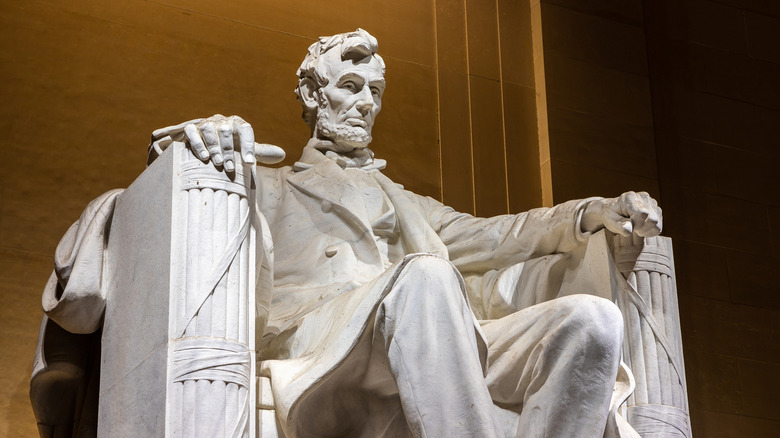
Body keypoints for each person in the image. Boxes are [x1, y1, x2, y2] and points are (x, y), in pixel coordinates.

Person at [34, 29, 660, 437]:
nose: (365, 103)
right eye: (350, 86)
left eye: (376, 93)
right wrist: (194, 140)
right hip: (322, 344)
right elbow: (158, 203)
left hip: (432, 342)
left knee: (590, 322)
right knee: (425, 277)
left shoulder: (404, 201)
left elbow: (500, 234)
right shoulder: (265, 182)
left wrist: (591, 213)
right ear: (311, 93)